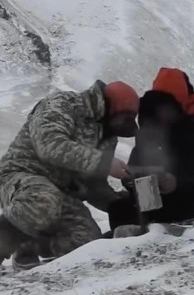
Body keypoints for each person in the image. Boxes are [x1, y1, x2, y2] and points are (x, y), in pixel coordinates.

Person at [0, 80, 139, 269]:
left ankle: (35, 240)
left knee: (87, 245)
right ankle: (14, 241)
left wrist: (119, 203)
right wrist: (104, 163)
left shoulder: (107, 135)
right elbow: (50, 145)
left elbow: (93, 186)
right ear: (111, 109)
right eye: (125, 119)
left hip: (60, 194)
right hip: (21, 177)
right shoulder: (63, 104)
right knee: (43, 202)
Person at [107, 68, 194, 233]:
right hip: (159, 204)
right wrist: (131, 179)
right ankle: (150, 230)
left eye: (167, 106)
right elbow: (136, 169)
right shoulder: (150, 128)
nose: (163, 112)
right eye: (159, 106)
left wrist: (176, 183)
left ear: (180, 105)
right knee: (119, 208)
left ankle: (162, 228)